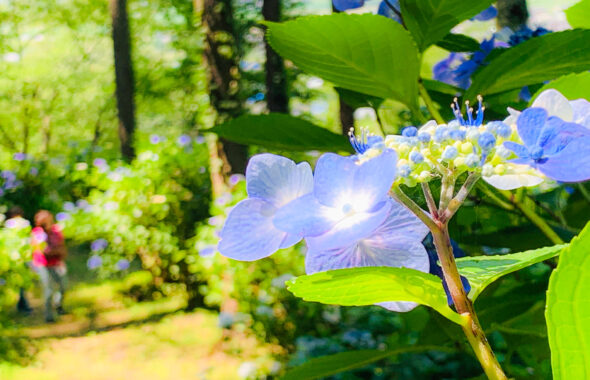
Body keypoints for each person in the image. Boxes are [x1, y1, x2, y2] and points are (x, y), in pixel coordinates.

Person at [31, 210, 68, 322]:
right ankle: (49, 316)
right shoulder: (37, 233)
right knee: (48, 290)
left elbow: (62, 246)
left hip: (57, 263)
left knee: (63, 285)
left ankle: (58, 304)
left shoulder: (56, 231)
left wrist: (59, 255)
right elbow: (40, 250)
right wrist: (55, 251)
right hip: (43, 264)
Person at [5, 206, 33, 315]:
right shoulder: (24, 223)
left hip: (13, 257)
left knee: (16, 283)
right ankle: (23, 305)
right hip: (24, 256)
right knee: (23, 283)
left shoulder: (8, 224)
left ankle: (21, 304)